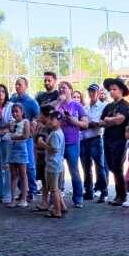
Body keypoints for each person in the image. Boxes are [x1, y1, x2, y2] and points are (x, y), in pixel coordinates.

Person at [101, 78, 129, 206]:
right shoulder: (108, 106)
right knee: (111, 166)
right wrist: (109, 120)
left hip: (120, 140)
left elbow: (119, 120)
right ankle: (120, 194)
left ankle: (121, 195)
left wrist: (107, 119)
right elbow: (102, 122)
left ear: (121, 90)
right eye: (110, 90)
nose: (111, 92)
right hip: (107, 139)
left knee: (117, 167)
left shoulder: (125, 105)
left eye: (114, 89)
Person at [55, 81, 87, 209]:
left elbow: (86, 123)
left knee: (74, 171)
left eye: (64, 88)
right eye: (60, 88)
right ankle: (56, 198)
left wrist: (75, 121)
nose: (62, 90)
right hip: (58, 143)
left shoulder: (77, 105)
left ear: (70, 90)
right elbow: (50, 119)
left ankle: (78, 198)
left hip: (73, 142)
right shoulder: (56, 104)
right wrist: (58, 103)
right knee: (57, 170)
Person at [9, 77, 41, 199]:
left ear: (26, 86)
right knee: (16, 166)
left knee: (29, 165)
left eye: (20, 84)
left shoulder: (32, 102)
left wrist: (33, 125)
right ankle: (23, 190)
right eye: (16, 84)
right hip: (15, 138)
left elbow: (38, 117)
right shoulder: (12, 100)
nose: (17, 86)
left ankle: (32, 191)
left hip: (27, 138)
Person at [81, 83, 109, 203]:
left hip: (96, 138)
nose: (92, 93)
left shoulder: (103, 106)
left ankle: (104, 191)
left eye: (94, 91)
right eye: (90, 91)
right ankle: (88, 191)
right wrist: (89, 123)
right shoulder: (85, 107)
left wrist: (89, 123)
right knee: (86, 166)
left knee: (99, 166)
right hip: (84, 139)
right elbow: (85, 123)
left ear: (98, 93)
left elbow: (97, 123)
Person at [42, 109, 66, 218]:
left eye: (53, 119)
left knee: (54, 189)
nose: (50, 121)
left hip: (53, 164)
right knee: (57, 188)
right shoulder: (58, 132)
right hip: (59, 163)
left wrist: (42, 144)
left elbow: (54, 149)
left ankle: (57, 211)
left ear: (59, 122)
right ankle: (62, 206)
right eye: (50, 119)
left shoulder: (55, 134)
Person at [6, 103, 31, 208]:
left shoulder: (26, 122)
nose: (14, 113)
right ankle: (12, 199)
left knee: (23, 174)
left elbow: (26, 135)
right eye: (13, 111)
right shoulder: (11, 123)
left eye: (16, 111)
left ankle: (24, 198)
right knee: (13, 174)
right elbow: (10, 133)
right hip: (12, 150)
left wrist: (13, 138)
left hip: (21, 149)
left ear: (22, 112)